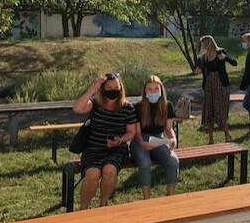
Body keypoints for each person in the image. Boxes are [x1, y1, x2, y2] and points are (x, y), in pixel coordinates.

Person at [72, 73, 136, 209]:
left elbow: (131, 132)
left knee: (110, 170)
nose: (113, 91)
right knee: (92, 173)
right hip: (93, 149)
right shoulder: (96, 104)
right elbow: (77, 108)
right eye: (109, 88)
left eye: (116, 88)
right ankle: (83, 209)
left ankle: (103, 204)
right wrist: (93, 88)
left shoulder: (127, 108)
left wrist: (120, 140)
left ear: (120, 88)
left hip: (116, 150)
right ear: (103, 89)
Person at [130, 76, 179, 200]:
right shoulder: (138, 107)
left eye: (156, 89)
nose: (153, 92)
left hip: (158, 140)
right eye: (149, 89)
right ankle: (147, 200)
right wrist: (143, 144)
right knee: (145, 164)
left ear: (161, 90)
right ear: (145, 91)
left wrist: (173, 139)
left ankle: (171, 197)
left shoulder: (168, 106)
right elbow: (137, 133)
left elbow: (169, 128)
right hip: (140, 141)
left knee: (173, 161)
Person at [194, 35, 237, 143]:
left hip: (221, 86)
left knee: (220, 111)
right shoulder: (203, 57)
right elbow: (197, 71)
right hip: (209, 86)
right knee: (209, 111)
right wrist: (198, 70)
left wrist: (225, 58)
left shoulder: (220, 52)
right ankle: (211, 140)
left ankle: (227, 135)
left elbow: (235, 63)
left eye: (204, 44)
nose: (203, 46)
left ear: (209, 43)